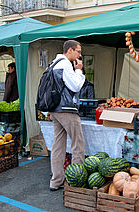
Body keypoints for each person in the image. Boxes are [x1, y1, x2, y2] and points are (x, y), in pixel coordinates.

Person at [49, 40, 85, 191]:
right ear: (70, 50)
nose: (79, 55)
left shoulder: (52, 63)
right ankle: (76, 182)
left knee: (58, 145)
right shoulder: (65, 65)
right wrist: (78, 71)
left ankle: (56, 181)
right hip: (67, 109)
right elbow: (75, 85)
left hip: (54, 110)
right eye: (78, 51)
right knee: (78, 144)